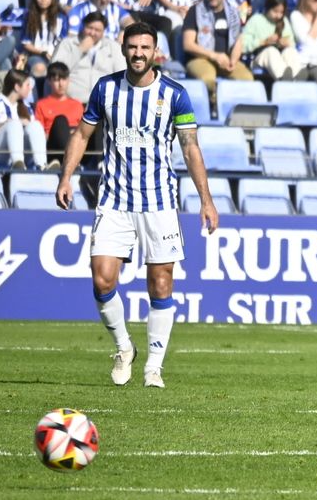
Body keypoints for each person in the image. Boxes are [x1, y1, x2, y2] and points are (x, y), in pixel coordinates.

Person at [57, 23, 219, 390]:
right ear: (124, 49)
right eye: (132, 47)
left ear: (155, 51)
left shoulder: (174, 95)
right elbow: (82, 134)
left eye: (145, 47)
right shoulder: (106, 88)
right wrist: (66, 177)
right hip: (114, 199)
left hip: (159, 202)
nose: (138, 53)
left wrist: (206, 201)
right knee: (102, 277)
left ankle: (153, 368)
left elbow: (190, 148)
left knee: (160, 284)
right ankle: (124, 348)